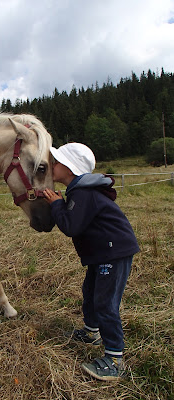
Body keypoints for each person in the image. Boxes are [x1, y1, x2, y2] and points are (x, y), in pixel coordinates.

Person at [43, 143, 139, 381]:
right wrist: (60, 203)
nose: (53, 165)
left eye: (57, 161)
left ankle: (115, 359)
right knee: (90, 291)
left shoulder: (83, 193)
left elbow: (70, 226)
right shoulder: (79, 191)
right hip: (103, 253)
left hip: (113, 252)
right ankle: (91, 332)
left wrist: (56, 204)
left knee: (105, 303)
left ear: (70, 167)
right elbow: (76, 219)